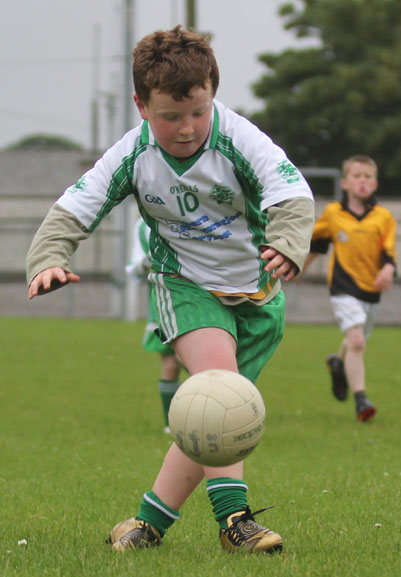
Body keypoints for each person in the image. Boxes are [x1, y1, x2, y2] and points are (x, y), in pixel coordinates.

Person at [26, 26, 315, 553]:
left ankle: (145, 526)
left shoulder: (238, 138)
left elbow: (289, 191)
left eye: (197, 112)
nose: (186, 128)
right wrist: (48, 259)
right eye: (169, 116)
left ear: (213, 95)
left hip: (258, 298)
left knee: (211, 420)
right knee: (219, 391)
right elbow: (74, 208)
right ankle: (236, 523)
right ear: (140, 105)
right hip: (184, 286)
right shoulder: (132, 155)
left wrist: (289, 242)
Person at [299, 155, 396, 422]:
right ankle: (362, 401)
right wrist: (299, 268)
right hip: (342, 288)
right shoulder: (333, 213)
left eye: (367, 177)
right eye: (356, 176)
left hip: (371, 292)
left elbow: (389, 253)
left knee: (355, 342)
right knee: (357, 341)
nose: (362, 181)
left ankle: (338, 364)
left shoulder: (384, 218)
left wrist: (388, 270)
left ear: (375, 184)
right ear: (345, 182)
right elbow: (317, 245)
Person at [126, 217, 182, 434]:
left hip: (198, 297)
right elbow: (134, 267)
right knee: (170, 360)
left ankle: (213, 411)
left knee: (192, 359)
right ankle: (172, 423)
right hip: (161, 303)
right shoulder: (142, 225)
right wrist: (148, 262)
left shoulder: (186, 212)